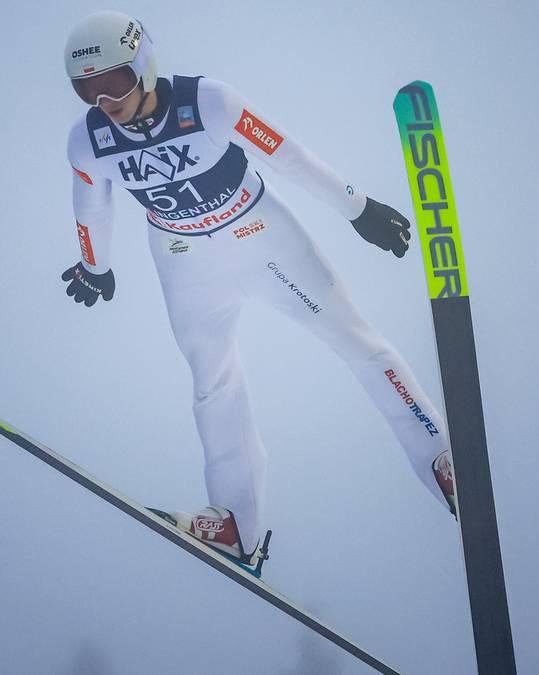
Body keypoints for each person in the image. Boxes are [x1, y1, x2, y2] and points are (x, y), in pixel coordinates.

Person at [62, 10, 457, 565]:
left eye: (115, 82)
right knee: (212, 384)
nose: (105, 101)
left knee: (356, 342)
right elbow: (91, 206)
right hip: (184, 261)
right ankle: (235, 524)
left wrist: (358, 208)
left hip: (262, 237)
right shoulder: (89, 141)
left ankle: (443, 461)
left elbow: (289, 156)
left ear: (144, 66)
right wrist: (95, 265)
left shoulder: (208, 102)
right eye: (87, 90)